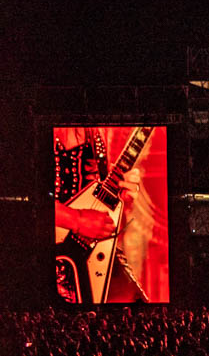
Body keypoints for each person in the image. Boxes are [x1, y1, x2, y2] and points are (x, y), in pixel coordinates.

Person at [53, 126, 145, 302]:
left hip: (92, 252)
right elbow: (22, 202)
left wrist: (123, 203)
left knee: (134, 302)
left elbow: (110, 227)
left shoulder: (98, 132)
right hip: (55, 253)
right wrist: (76, 219)